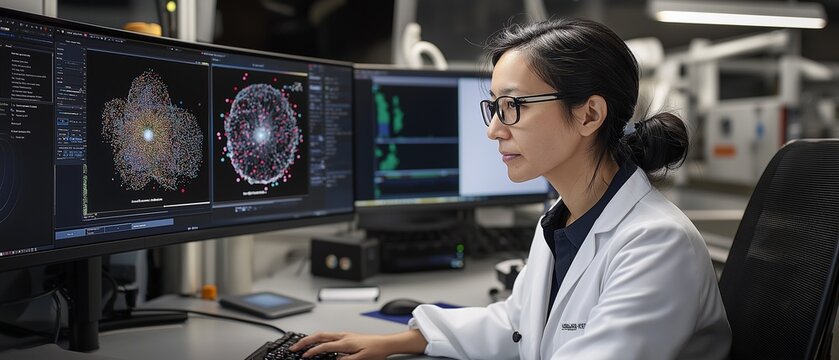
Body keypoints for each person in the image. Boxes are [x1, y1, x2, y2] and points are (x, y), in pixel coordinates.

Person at [290, 17, 731, 360]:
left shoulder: (656, 245)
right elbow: (521, 324)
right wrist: (401, 341)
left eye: (513, 106)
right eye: (494, 108)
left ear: (589, 115)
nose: (494, 130)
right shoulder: (566, 216)